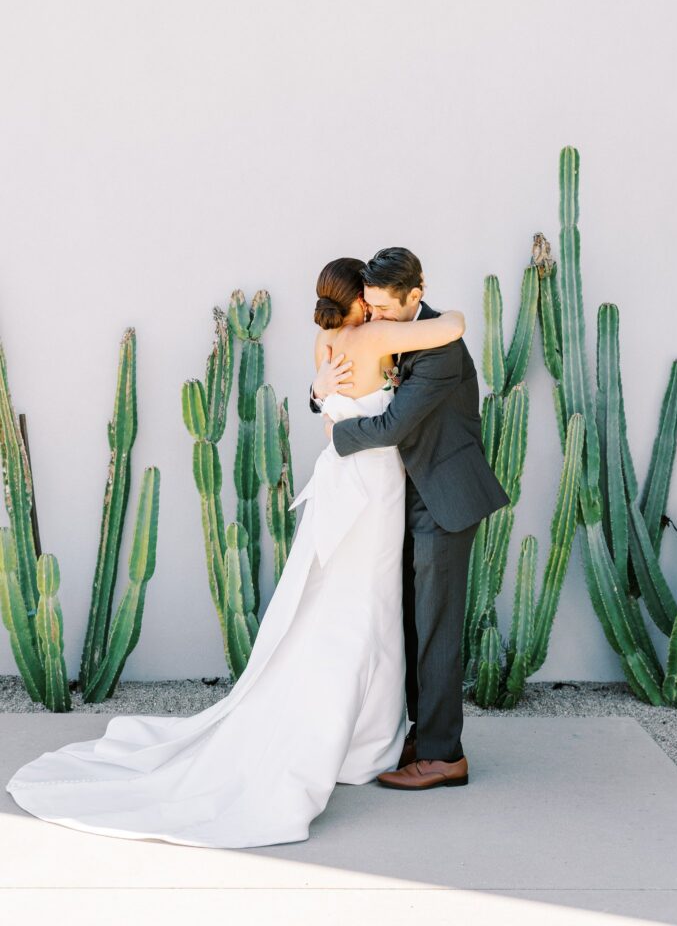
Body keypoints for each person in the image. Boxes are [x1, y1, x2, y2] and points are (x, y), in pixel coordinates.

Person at [5, 257, 467, 848]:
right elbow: (448, 328)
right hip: (372, 486)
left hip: (339, 480)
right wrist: (444, 307)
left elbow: (326, 407)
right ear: (358, 303)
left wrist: (318, 392)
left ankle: (366, 734)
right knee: (367, 608)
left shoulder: (325, 338)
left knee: (342, 602)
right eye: (369, 302)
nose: (375, 310)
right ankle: (364, 739)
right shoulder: (377, 334)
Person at [311, 247, 510, 791]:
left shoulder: (440, 348)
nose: (373, 317)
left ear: (414, 296)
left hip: (443, 498)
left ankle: (445, 756)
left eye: (382, 308)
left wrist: (336, 435)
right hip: (404, 497)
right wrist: (319, 394)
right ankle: (423, 735)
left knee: (437, 630)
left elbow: (393, 424)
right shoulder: (394, 328)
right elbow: (354, 378)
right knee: (411, 622)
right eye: (368, 306)